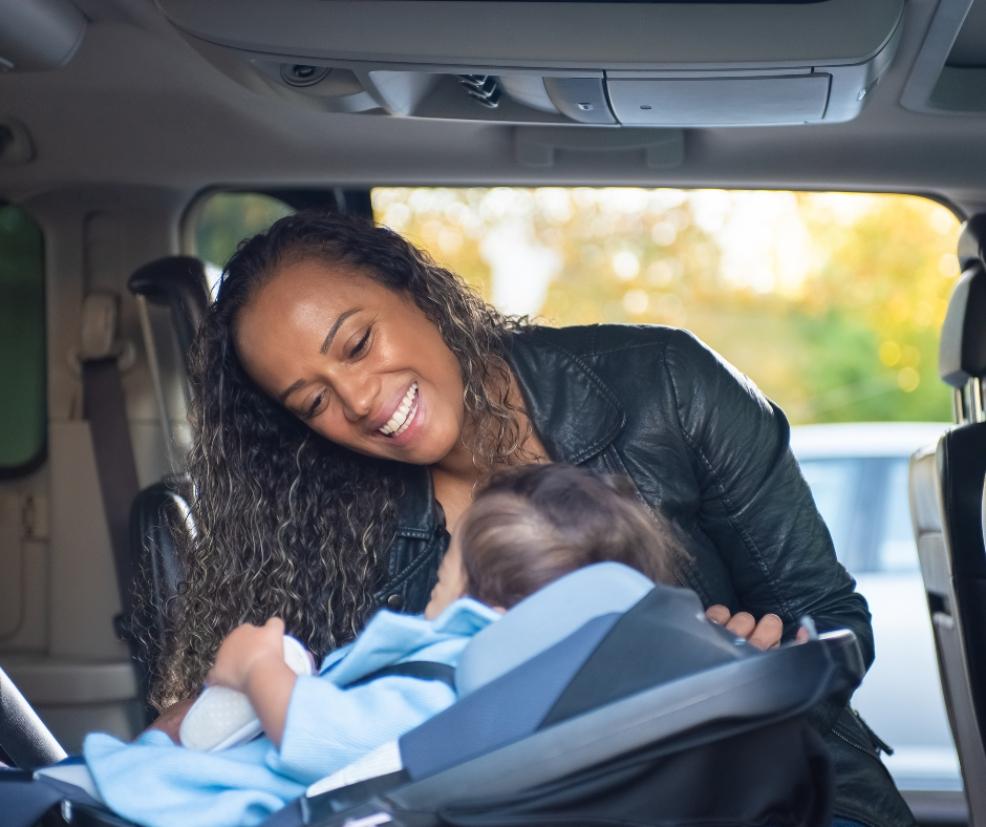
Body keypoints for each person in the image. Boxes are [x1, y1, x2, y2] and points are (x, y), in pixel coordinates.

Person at [142, 210, 913, 827]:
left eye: (358, 343)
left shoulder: (669, 387)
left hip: (770, 791)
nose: (361, 401)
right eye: (313, 402)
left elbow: (833, 615)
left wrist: (757, 654)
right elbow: (312, 716)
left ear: (411, 285)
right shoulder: (332, 522)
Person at [81, 463, 682, 827]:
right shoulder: (536, 701)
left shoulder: (458, 686)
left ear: (490, 611)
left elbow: (325, 736)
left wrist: (257, 666)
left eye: (447, 576)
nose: (433, 590)